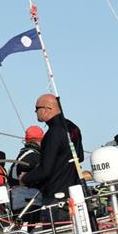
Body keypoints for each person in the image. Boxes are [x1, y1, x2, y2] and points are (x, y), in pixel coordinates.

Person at [20, 94, 81, 222]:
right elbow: (79, 156)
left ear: (47, 109)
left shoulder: (52, 134)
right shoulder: (73, 128)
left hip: (56, 199)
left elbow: (45, 170)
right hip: (76, 194)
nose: (35, 111)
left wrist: (25, 179)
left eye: (37, 108)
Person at [8, 125, 43, 214]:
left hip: (18, 203)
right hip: (29, 203)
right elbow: (24, 166)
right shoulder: (32, 156)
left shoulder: (23, 154)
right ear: (40, 140)